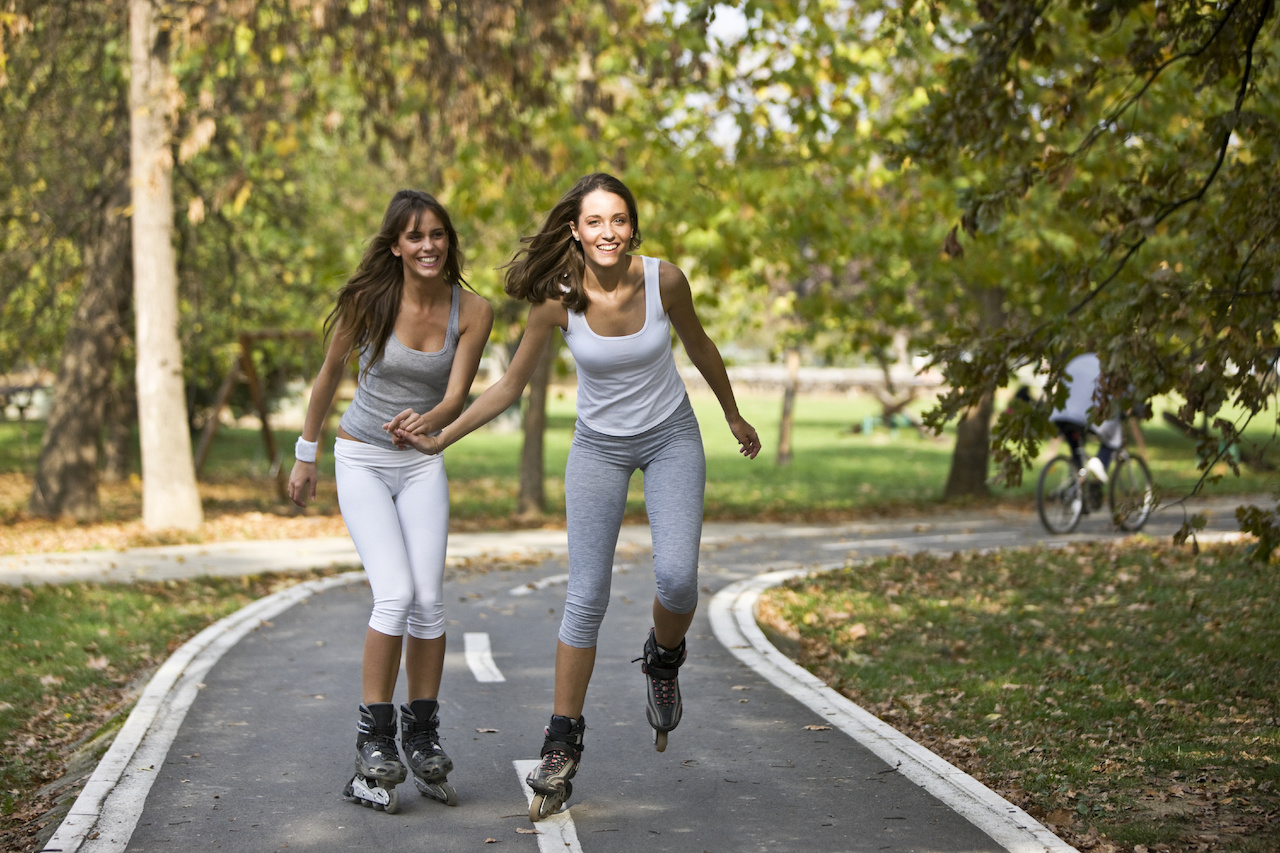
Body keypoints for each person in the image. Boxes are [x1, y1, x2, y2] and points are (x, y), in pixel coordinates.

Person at [390, 172, 761, 819]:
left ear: (632, 226)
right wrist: (443, 435)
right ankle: (561, 743)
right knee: (584, 596)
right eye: (595, 221)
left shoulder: (664, 280)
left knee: (677, 580)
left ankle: (663, 658)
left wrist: (732, 414)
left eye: (618, 219)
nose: (607, 232)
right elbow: (507, 386)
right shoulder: (557, 301)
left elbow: (699, 344)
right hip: (598, 447)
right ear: (575, 230)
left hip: (671, 436)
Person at [287, 189, 494, 813]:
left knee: (430, 600)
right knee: (395, 594)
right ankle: (374, 741)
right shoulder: (369, 301)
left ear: (448, 241)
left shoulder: (474, 309)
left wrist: (425, 424)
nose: (428, 245)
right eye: (414, 236)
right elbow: (328, 375)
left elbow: (458, 396)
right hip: (361, 459)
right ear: (397, 245)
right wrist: (305, 452)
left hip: (422, 460)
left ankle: (421, 733)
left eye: (437, 234)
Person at [1049, 352, 1122, 485]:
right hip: (1087, 416)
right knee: (1113, 437)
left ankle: (1077, 487)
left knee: (1077, 453)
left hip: (1062, 414)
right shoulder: (1110, 366)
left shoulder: (1078, 360)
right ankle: (1099, 462)